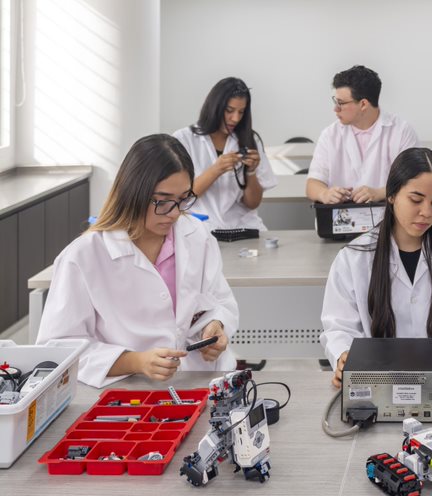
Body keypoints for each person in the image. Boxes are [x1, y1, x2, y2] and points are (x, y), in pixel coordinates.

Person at [36, 134, 239, 388]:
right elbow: (58, 349)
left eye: (183, 199)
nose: (175, 213)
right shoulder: (83, 257)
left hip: (203, 380)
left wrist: (216, 326)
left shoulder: (196, 235)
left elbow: (220, 300)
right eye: (163, 201)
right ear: (133, 193)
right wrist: (136, 361)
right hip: (132, 391)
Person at [320, 147, 432, 387]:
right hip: (378, 386)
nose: (427, 212)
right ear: (392, 195)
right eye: (416, 200)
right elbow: (338, 329)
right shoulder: (353, 258)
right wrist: (343, 357)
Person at [174, 77, 277, 231]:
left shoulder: (250, 139)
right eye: (229, 111)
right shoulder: (183, 139)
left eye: (241, 112)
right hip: (201, 227)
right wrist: (216, 169)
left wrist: (251, 172)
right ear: (214, 107)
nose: (235, 118)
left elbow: (253, 203)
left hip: (243, 226)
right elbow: (181, 197)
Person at [306, 65, 419, 205]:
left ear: (363, 104)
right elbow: (312, 184)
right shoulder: (329, 135)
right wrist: (325, 194)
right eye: (335, 101)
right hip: (342, 220)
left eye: (340, 103)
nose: (335, 109)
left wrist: (379, 193)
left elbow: (414, 182)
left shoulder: (401, 131)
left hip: (388, 217)